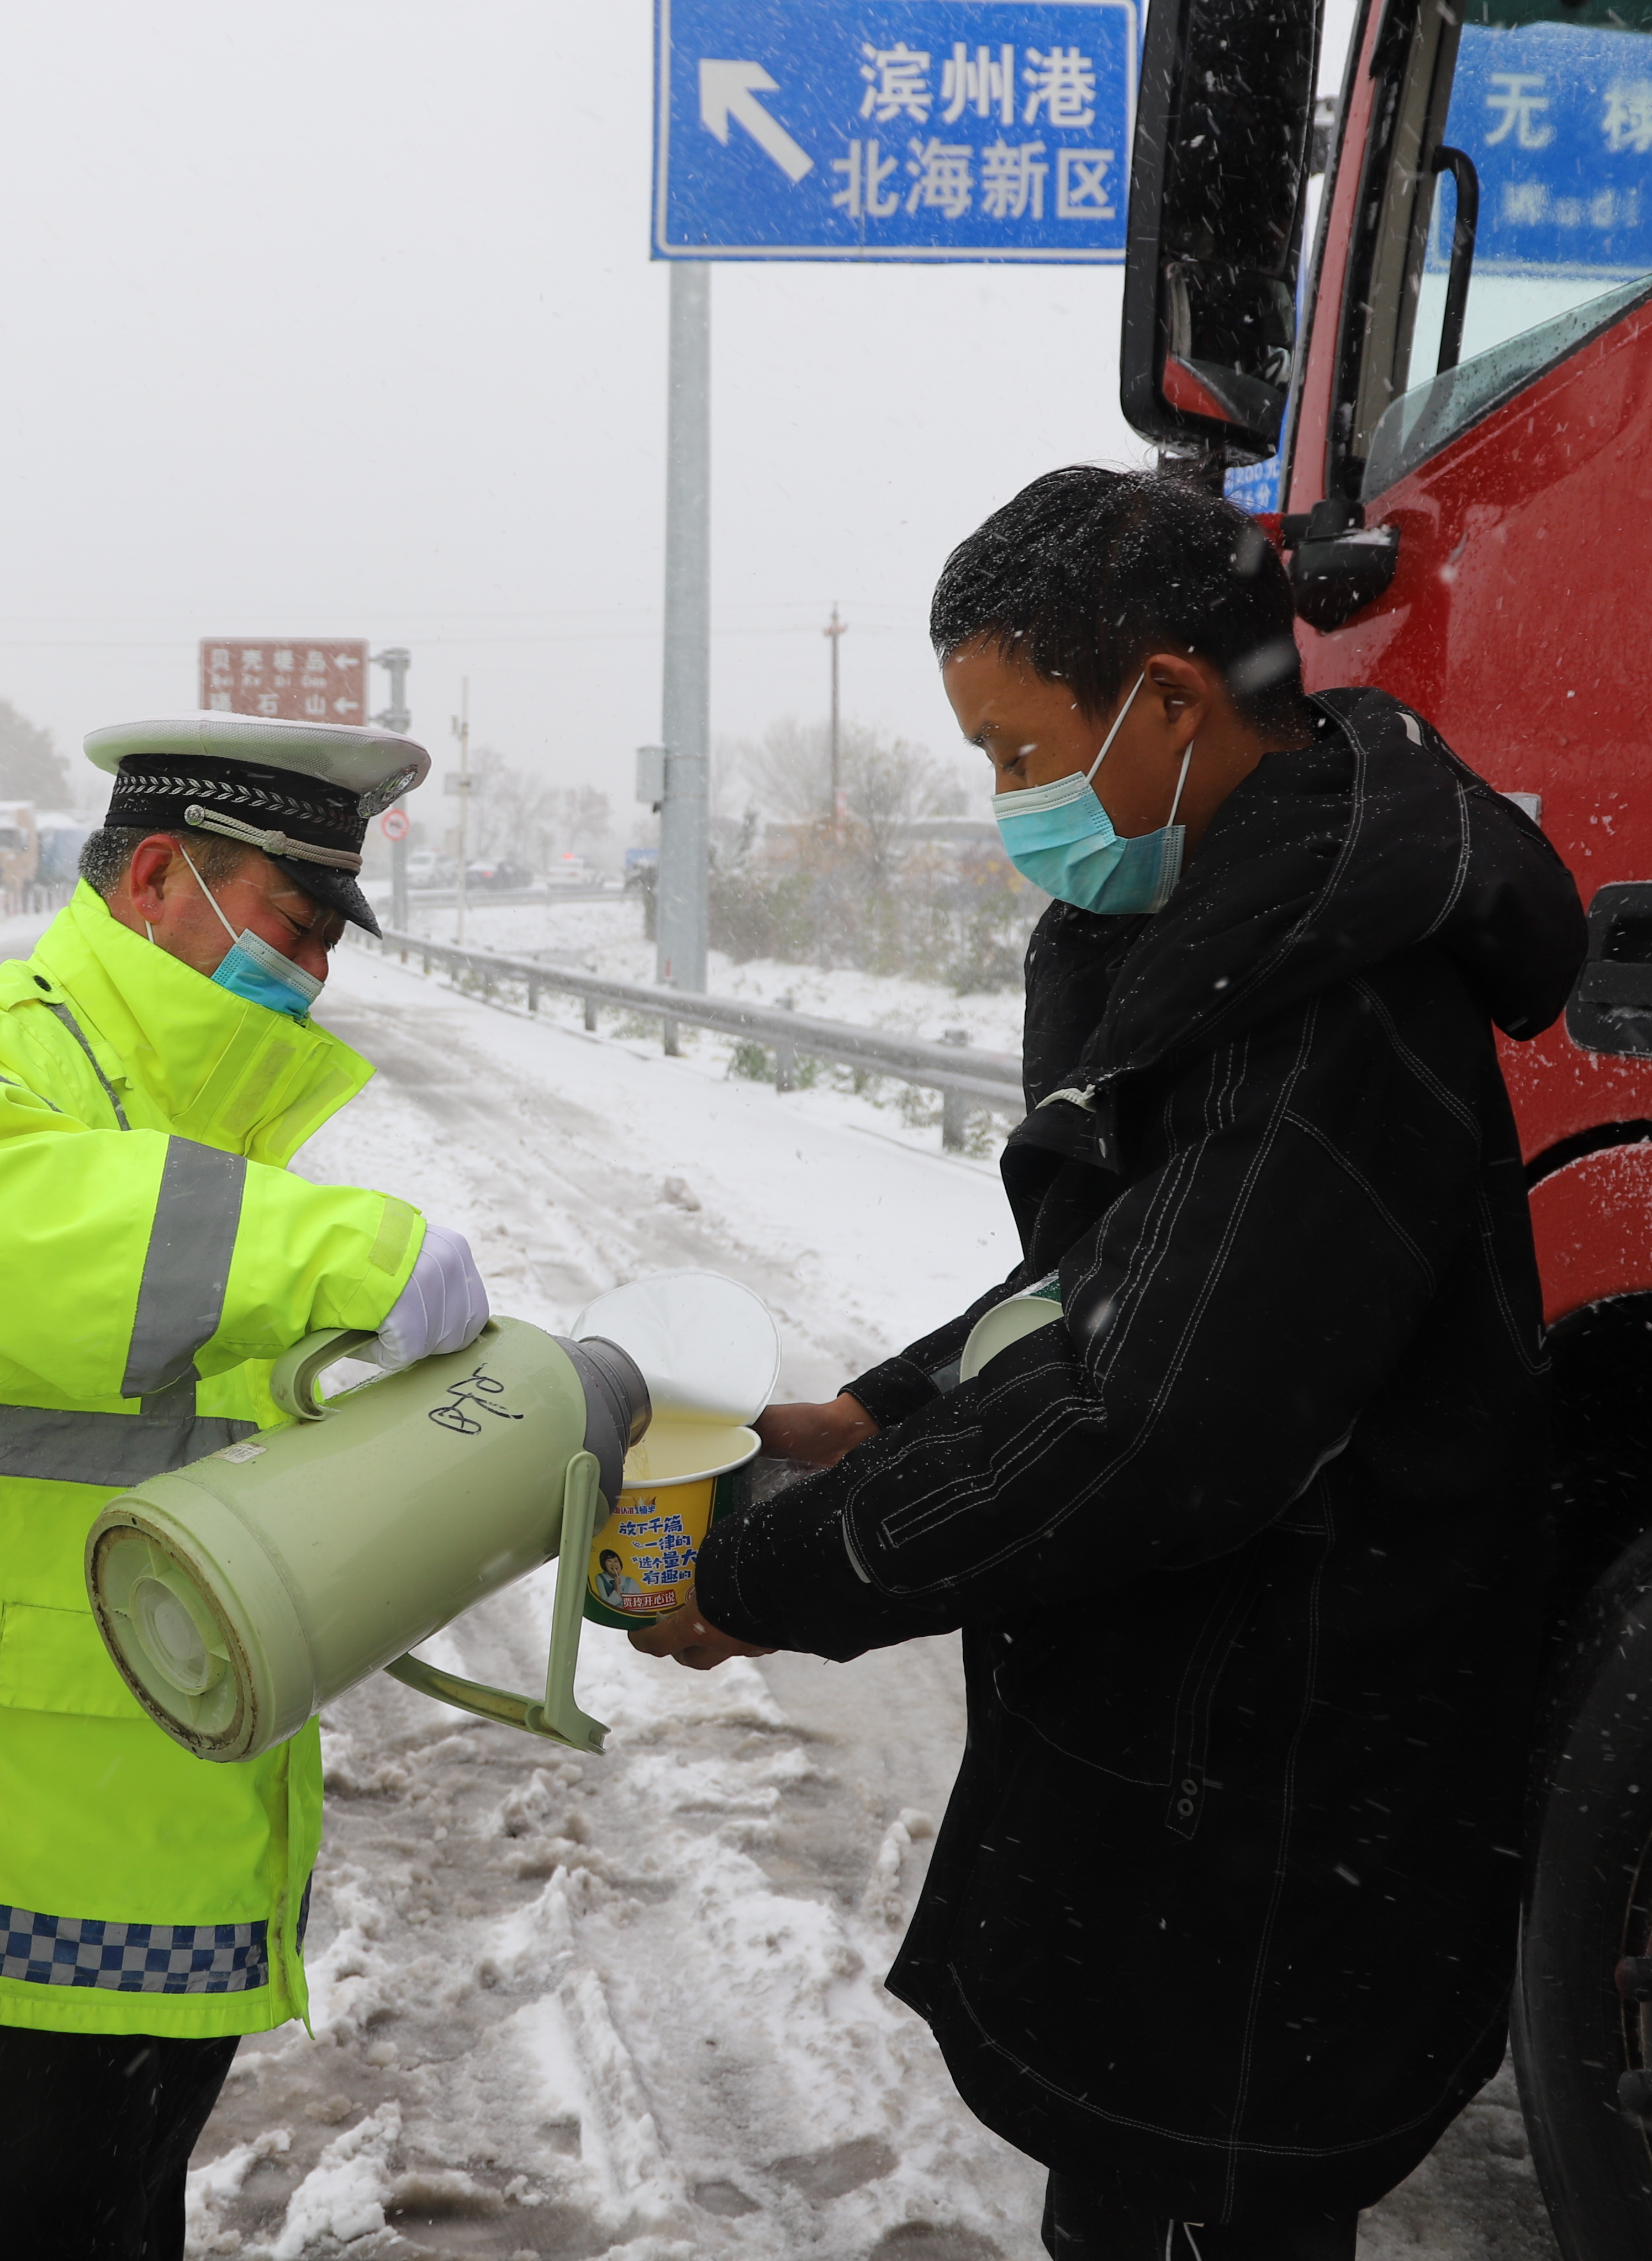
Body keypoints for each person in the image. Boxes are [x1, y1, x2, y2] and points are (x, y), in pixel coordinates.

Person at [633, 466, 1585, 2258]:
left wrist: (774, 1571)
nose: (1011, 807)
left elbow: (1149, 1419)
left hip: (1283, 1789)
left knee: (1194, 2205)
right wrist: (885, 1412)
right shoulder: (1216, 929)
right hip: (1209, 1750)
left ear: (1161, 700)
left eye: (1014, 753)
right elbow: (1100, 1276)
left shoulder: (1325, 1000)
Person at [0, 712, 489, 2259]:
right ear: (159, 877)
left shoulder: (210, 1110)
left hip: (145, 1826)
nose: (308, 978)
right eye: (293, 928)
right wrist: (343, 1255)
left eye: (328, 947)